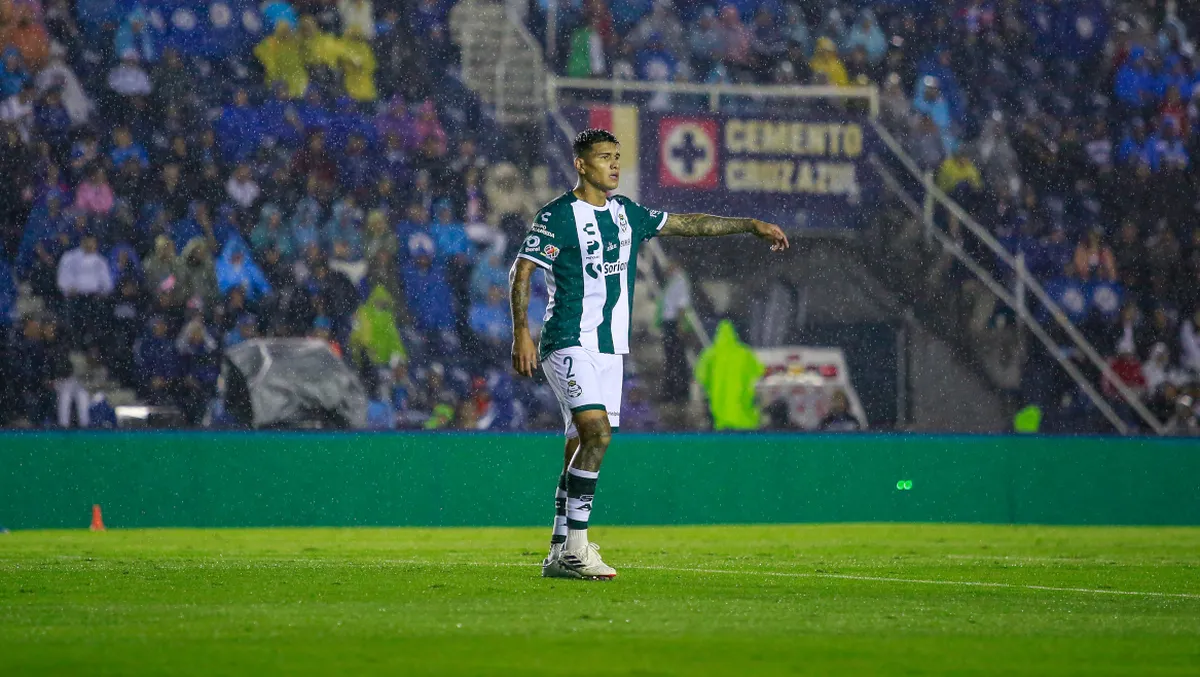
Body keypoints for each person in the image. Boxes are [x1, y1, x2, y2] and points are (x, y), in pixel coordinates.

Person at [509, 128, 788, 580]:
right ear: (581, 164)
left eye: (617, 156)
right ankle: (578, 548)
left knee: (579, 444)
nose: (614, 165)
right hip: (567, 340)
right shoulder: (558, 215)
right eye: (604, 157)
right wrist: (522, 331)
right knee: (597, 434)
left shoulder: (626, 214)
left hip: (611, 350)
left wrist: (748, 225)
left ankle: (559, 551)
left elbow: (688, 223)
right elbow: (522, 271)